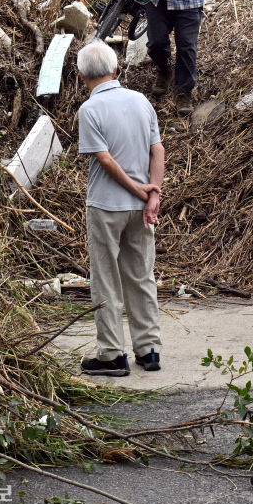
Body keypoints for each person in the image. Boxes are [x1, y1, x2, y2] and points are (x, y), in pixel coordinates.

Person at [77, 40, 165, 377]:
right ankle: (148, 350)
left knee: (106, 279)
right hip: (141, 209)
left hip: (106, 206)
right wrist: (151, 194)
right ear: (116, 69)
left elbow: (104, 159)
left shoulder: (90, 110)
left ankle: (112, 354)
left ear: (83, 75)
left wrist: (137, 188)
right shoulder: (141, 101)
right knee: (142, 276)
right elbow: (157, 150)